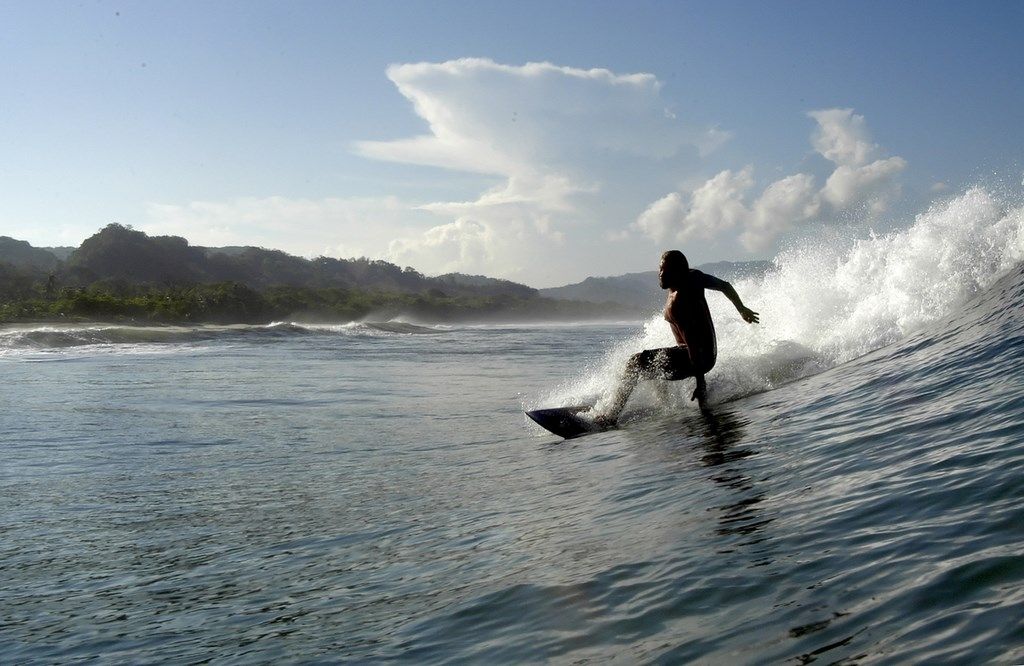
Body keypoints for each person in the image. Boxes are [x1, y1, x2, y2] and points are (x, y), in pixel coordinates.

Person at [596, 250, 759, 424]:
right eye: (659, 269)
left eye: (663, 270)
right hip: (704, 354)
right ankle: (665, 406)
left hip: (695, 357)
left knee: (635, 362)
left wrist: (701, 384)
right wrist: (741, 308)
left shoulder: (679, 303)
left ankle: (611, 416)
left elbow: (693, 344)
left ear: (676, 273)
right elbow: (725, 286)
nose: (659, 274)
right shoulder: (695, 277)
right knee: (653, 361)